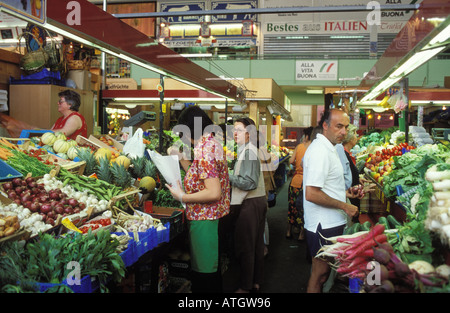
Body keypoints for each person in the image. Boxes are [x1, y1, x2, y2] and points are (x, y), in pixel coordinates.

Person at [166, 105, 230, 293]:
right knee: (211, 272)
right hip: (211, 218)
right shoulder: (211, 144)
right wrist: (182, 159)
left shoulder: (204, 150)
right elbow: (200, 179)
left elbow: (213, 192)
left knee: (204, 278)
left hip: (205, 220)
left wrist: (182, 196)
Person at [302, 108, 359, 293]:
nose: (344, 132)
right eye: (339, 126)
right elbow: (311, 193)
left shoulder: (331, 147)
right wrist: (345, 205)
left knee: (323, 274)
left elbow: (325, 186)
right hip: (322, 225)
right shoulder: (320, 151)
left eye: (346, 127)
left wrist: (346, 194)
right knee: (320, 274)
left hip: (330, 222)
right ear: (325, 125)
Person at [229, 117, 267, 293]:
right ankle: (256, 281)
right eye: (234, 129)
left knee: (246, 246)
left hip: (250, 203)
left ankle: (245, 287)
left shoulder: (249, 152)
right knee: (256, 244)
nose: (235, 133)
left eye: (239, 129)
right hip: (257, 201)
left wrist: (226, 175)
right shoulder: (248, 150)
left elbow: (249, 182)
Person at [286, 126, 313, 240]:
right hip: (308, 182)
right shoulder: (314, 148)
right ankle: (302, 234)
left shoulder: (299, 146)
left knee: (292, 207)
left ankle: (288, 231)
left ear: (306, 136)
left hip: (296, 181)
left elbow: (291, 161)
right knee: (305, 209)